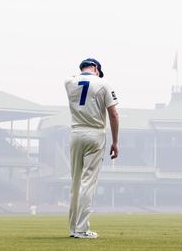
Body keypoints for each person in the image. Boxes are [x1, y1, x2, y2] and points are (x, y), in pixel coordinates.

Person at [65, 58, 119, 239]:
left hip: (75, 133)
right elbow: (114, 114)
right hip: (95, 134)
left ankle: (73, 228)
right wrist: (115, 141)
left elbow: (74, 78)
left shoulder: (69, 82)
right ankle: (81, 229)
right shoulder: (103, 83)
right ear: (96, 68)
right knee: (88, 183)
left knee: (75, 182)